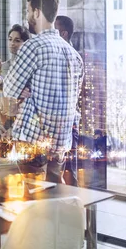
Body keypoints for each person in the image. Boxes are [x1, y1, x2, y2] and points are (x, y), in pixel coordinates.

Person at [0, 0, 84, 183]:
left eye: (28, 11)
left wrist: (25, 90)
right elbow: (73, 98)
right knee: (55, 195)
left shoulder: (34, 46)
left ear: (37, 12)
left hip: (33, 138)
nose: (27, 16)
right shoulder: (73, 54)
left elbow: (10, 89)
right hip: (61, 140)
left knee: (33, 197)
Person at [0, 25, 30, 140]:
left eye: (17, 40)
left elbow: (28, 101)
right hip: (4, 121)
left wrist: (14, 128)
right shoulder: (2, 67)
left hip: (23, 124)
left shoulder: (30, 69)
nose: (12, 43)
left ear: (25, 43)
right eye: (10, 39)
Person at [54, 15, 80, 187]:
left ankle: (69, 209)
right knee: (68, 170)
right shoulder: (74, 57)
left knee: (67, 171)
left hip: (64, 124)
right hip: (69, 122)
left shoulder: (67, 59)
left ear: (63, 34)